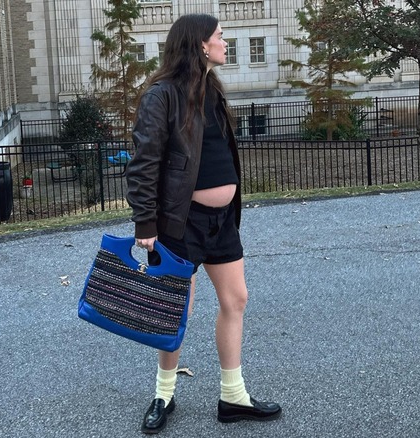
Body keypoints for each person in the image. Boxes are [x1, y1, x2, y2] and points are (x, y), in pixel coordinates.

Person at [125, 13, 282, 434]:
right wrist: (146, 225)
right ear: (199, 45)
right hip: (182, 222)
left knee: (236, 300)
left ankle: (232, 396)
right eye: (220, 36)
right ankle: (163, 394)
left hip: (222, 222)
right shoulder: (163, 95)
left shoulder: (211, 88)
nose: (225, 42)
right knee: (177, 309)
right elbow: (143, 164)